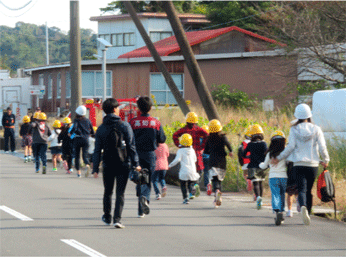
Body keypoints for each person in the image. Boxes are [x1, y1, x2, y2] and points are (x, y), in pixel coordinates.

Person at [273, 104, 330, 225]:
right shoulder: (316, 129)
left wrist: (279, 157)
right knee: (309, 190)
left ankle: (303, 205)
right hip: (313, 164)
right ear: (310, 115)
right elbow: (322, 147)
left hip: (298, 164)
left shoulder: (294, 129)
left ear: (297, 116)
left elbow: (290, 147)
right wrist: (326, 159)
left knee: (302, 189)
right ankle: (307, 212)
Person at [92, 98, 141, 229]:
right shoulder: (124, 125)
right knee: (120, 192)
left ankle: (107, 217)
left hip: (107, 163)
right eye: (118, 107)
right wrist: (136, 164)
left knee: (108, 191)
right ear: (115, 109)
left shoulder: (101, 128)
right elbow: (131, 147)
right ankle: (117, 219)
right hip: (123, 163)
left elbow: (97, 150)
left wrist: (95, 168)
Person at [130, 96, 166, 218]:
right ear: (151, 108)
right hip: (150, 154)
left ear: (138, 108)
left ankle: (140, 200)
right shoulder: (155, 122)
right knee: (147, 179)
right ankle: (144, 201)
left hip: (136, 154)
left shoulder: (133, 122)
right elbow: (162, 139)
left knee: (138, 178)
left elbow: (128, 139)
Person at [173, 112, 208, 197]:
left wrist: (180, 145)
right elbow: (206, 135)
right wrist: (202, 147)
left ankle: (192, 186)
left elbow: (175, 135)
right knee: (200, 171)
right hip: (197, 154)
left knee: (190, 171)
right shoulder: (197, 129)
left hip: (187, 154)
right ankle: (194, 185)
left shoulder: (183, 130)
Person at [259, 130, 287, 225]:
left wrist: (260, 164)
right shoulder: (286, 153)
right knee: (282, 194)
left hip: (273, 177)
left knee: (275, 195)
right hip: (284, 177)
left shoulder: (270, 154)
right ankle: (281, 212)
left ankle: (277, 211)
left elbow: (264, 166)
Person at [204, 120, 233, 208]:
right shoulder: (223, 137)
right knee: (219, 179)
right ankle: (218, 193)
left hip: (213, 161)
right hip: (222, 161)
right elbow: (228, 144)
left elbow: (206, 151)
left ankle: (216, 193)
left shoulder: (209, 138)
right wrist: (230, 151)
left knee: (214, 179)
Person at [168, 133, 199, 204]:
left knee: (183, 185)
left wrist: (169, 165)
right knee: (191, 183)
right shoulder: (192, 150)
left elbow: (177, 160)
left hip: (184, 171)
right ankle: (192, 191)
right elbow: (195, 160)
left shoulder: (180, 151)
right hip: (192, 171)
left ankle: (185, 198)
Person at [243, 124, 267, 210]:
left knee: (255, 183)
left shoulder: (250, 145)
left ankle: (258, 198)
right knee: (260, 183)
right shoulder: (264, 144)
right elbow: (266, 153)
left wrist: (249, 157)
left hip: (252, 166)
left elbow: (244, 154)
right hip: (262, 166)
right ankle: (261, 199)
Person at [69, 105, 94, 178]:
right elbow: (92, 131)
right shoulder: (88, 120)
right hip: (86, 139)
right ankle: (87, 165)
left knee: (77, 156)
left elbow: (75, 129)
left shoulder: (76, 120)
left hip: (77, 139)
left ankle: (78, 173)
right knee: (84, 155)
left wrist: (71, 136)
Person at [238, 125, 253, 193]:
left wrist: (241, 161)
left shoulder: (243, 143)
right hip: (252, 161)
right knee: (252, 174)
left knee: (245, 174)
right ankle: (251, 182)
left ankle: (247, 180)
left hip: (245, 161)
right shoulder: (254, 143)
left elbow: (240, 152)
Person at [201, 125, 212, 195]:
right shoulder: (210, 140)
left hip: (202, 157)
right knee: (208, 171)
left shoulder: (200, 139)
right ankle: (209, 184)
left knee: (203, 171)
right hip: (210, 158)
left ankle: (205, 185)